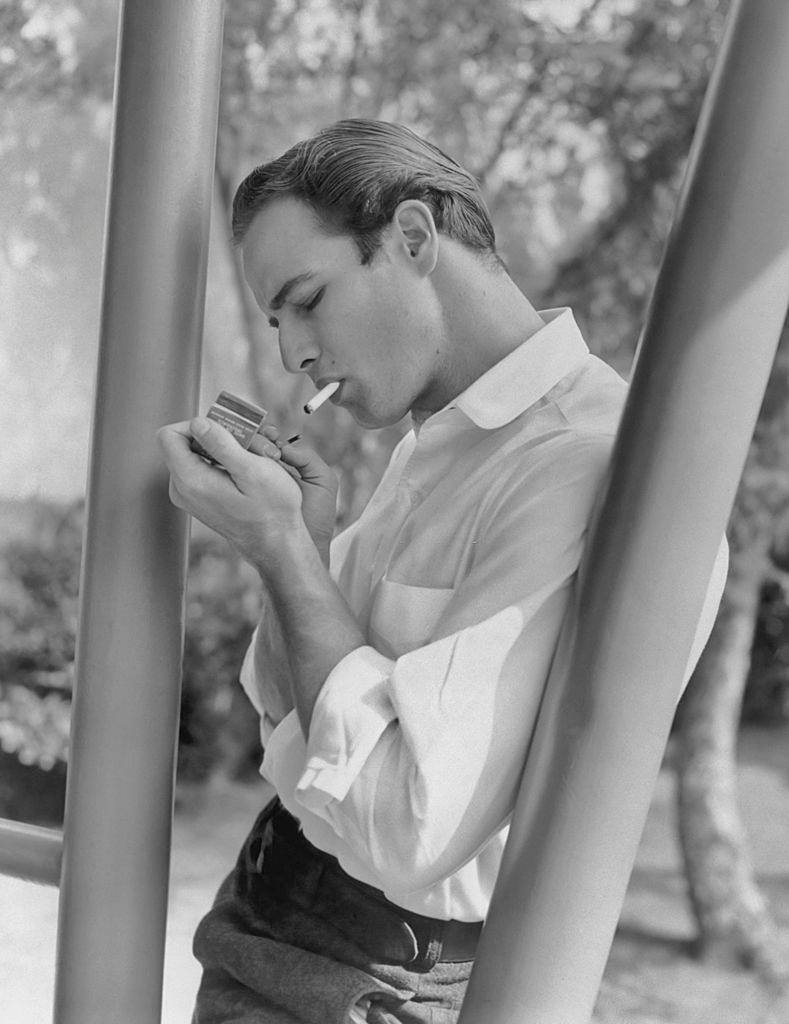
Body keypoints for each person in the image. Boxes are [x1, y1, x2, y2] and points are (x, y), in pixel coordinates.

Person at [157, 119, 728, 1024]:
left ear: (415, 238)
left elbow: (407, 826)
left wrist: (280, 553)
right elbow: (282, 713)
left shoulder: (577, 464)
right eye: (276, 322)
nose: (290, 353)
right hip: (271, 909)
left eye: (305, 300)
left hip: (377, 973)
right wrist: (300, 544)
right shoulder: (435, 440)